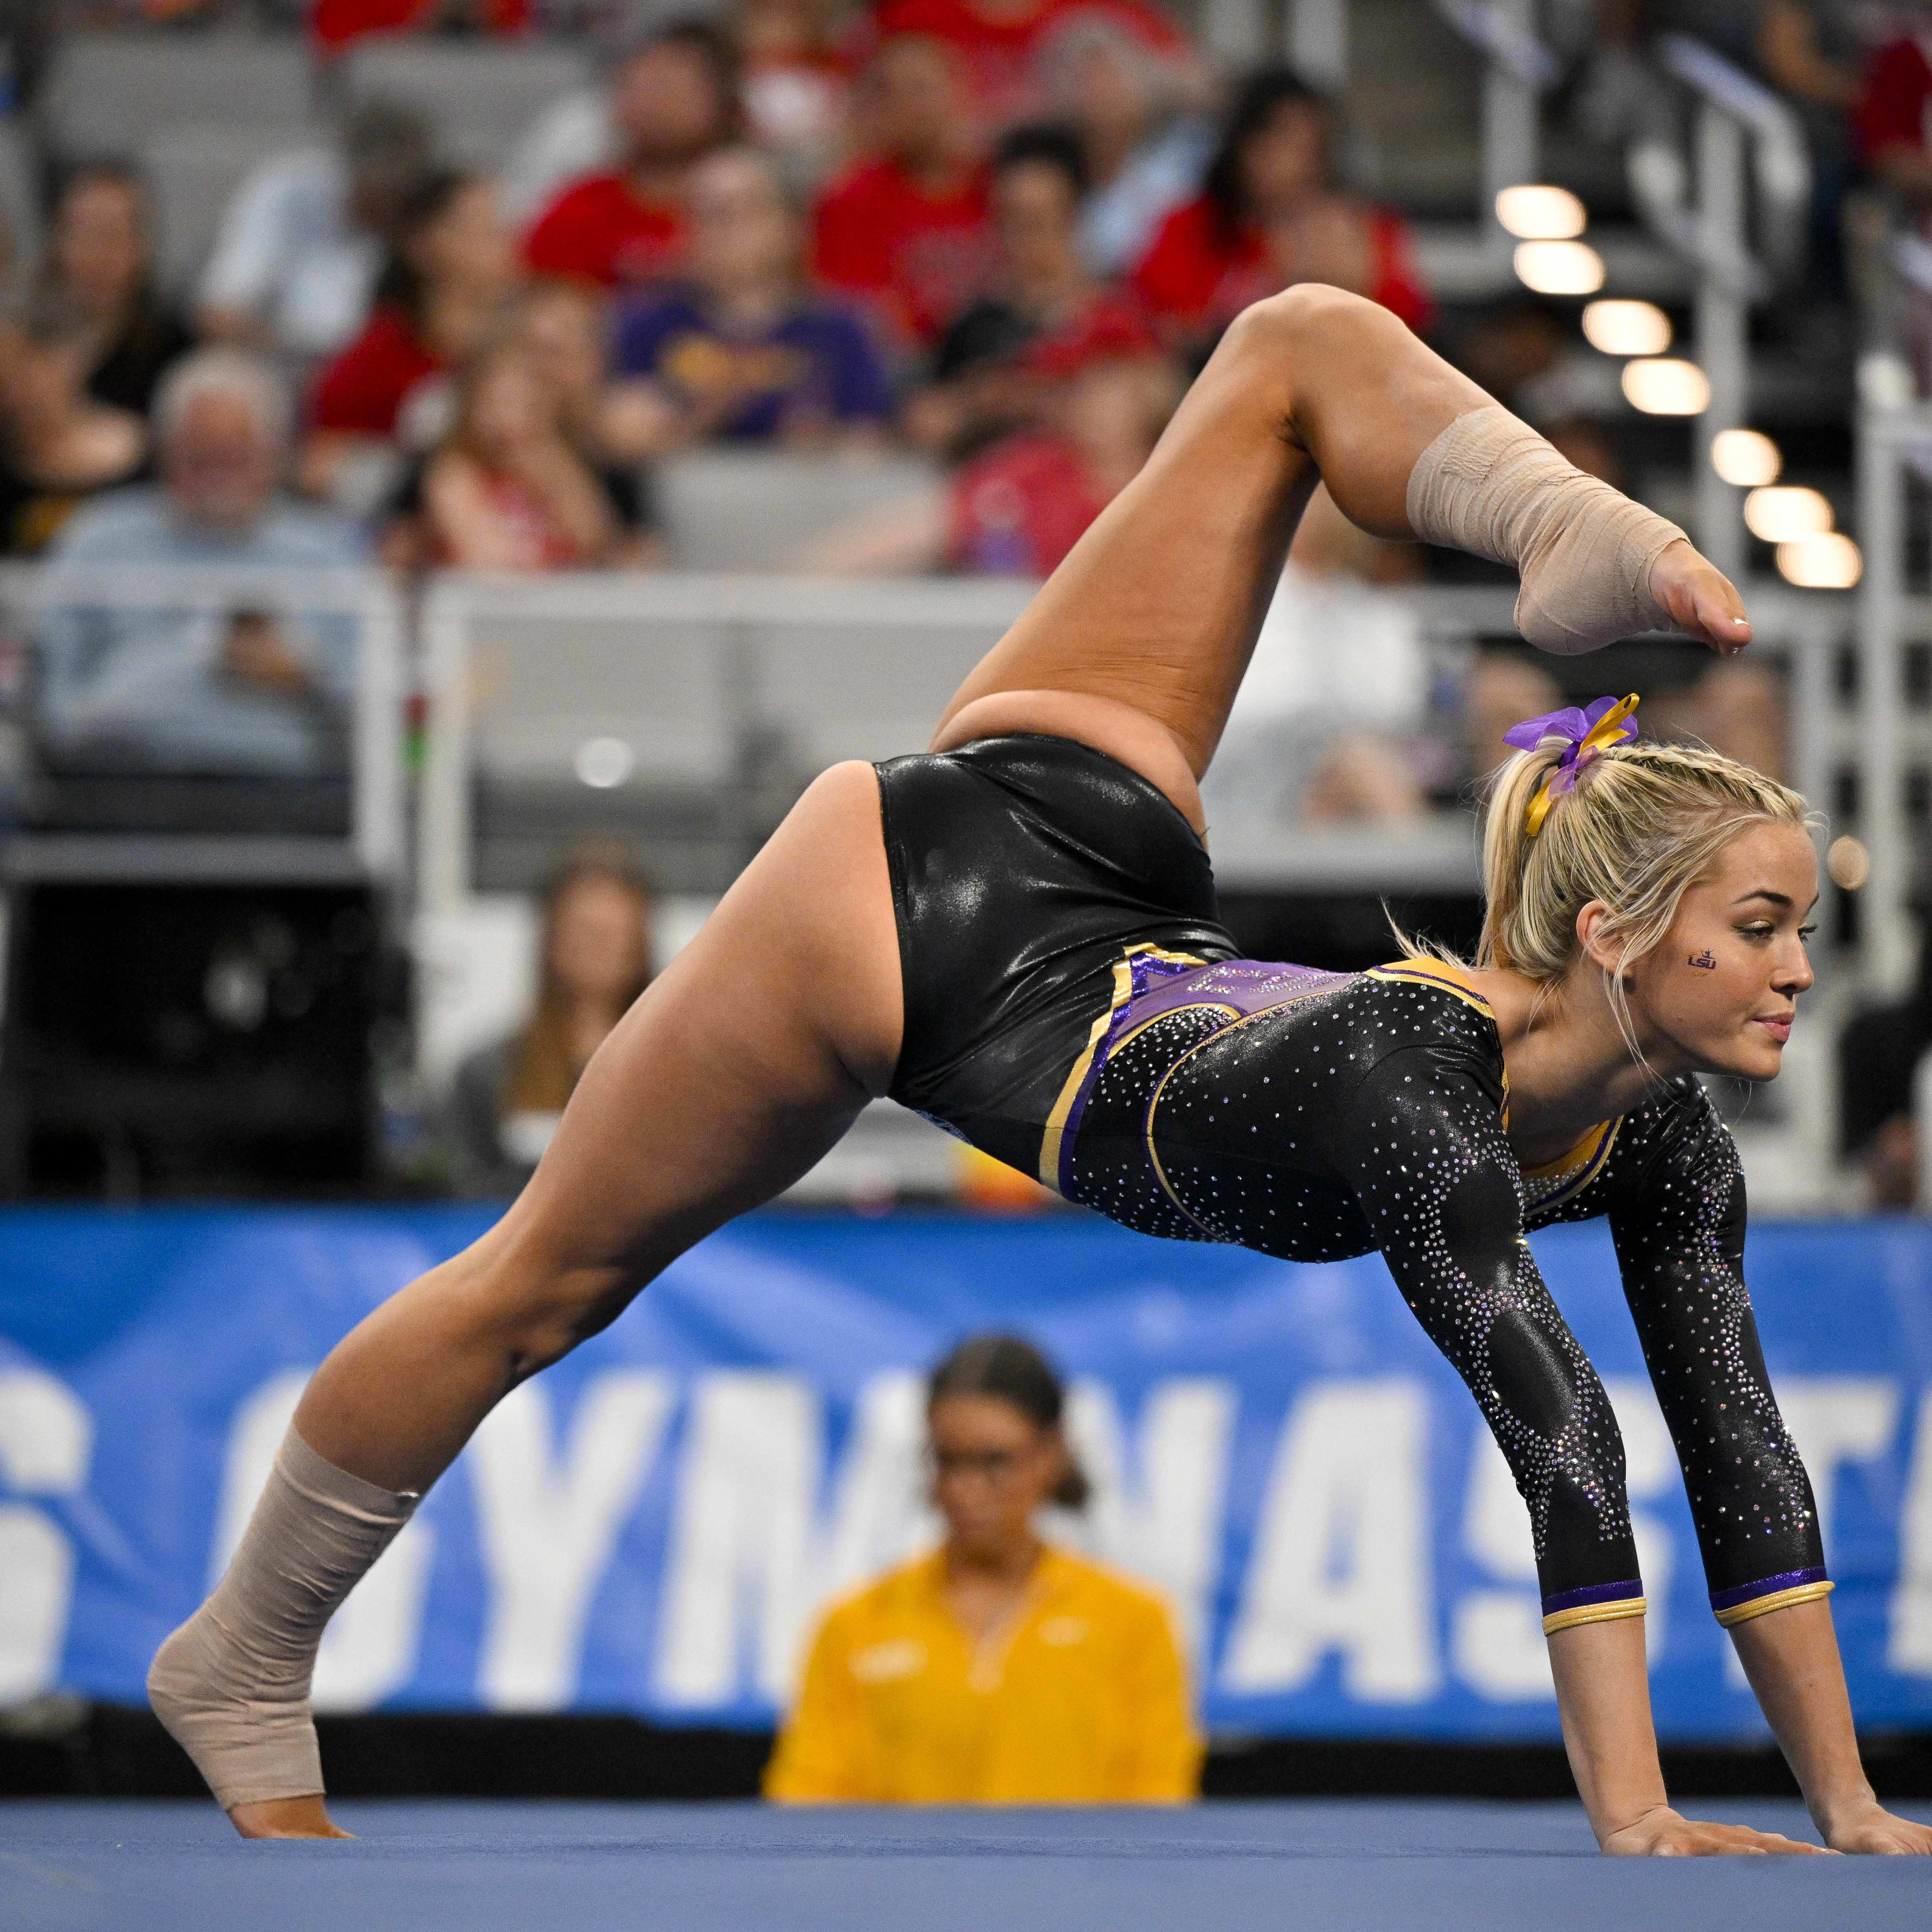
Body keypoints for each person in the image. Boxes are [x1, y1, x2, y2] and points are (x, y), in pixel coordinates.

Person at [147, 283, 1931, 1858]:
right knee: (543, 1283)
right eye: (1759, 923)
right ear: (1613, 932)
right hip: (913, 928)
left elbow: (1736, 1441)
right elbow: (1565, 1443)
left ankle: (1546, 518)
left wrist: (1846, 1806)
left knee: (1290, 343)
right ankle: (241, 1652)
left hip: (1107, 873)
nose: (1800, 966)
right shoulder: (1419, 1068)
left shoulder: (1661, 1140)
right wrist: (1632, 1815)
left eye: (1802, 926)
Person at [766, 1334, 1200, 1803]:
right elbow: (808, 1804)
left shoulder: (1135, 1623)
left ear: (1052, 1455)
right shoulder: (855, 1625)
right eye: (947, 1461)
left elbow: (1156, 1805)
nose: (966, 1489)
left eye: (996, 1462)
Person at [36, 348, 363, 775]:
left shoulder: (325, 553)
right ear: (164, 451)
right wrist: (181, 663)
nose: (218, 474)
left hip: (287, 788)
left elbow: (371, 707)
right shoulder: (100, 541)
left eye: (237, 456)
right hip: (123, 784)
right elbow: (54, 702)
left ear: (276, 453)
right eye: (201, 456)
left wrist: (306, 678)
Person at [610, 145, 892, 449]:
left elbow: (871, 439)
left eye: (744, 211)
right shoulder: (645, 326)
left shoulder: (841, 330)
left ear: (791, 226)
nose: (724, 230)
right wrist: (696, 419)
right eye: (707, 214)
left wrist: (826, 443)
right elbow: (619, 432)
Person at [1133, 69, 1430, 349]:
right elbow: (1153, 325)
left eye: (1310, 148)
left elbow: (1413, 334)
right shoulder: (1190, 226)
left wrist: (1350, 286)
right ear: (1243, 146)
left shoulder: (1363, 231)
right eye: (1281, 143)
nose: (1296, 164)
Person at [447, 847, 655, 1196]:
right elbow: (461, 1193)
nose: (597, 949)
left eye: (612, 934)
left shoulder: (673, 1072)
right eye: (584, 931)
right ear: (551, 939)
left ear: (639, 944)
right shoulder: (487, 1073)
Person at [303, 171, 519, 503]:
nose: (507, 242)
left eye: (504, 228)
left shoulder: (528, 346)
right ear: (425, 244)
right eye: (486, 229)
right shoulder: (377, 357)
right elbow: (318, 465)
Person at [197, 100, 432, 362]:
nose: (383, 201)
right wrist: (294, 350)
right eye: (374, 187)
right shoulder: (288, 191)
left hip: (381, 367)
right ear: (349, 169)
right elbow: (219, 314)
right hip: (277, 361)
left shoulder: (425, 223)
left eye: (394, 191)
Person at [522, 22, 742, 292]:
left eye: (675, 88)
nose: (657, 105)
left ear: (722, 101)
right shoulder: (579, 209)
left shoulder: (751, 210)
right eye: (644, 86)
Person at [811, 35, 993, 349]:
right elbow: (855, 315)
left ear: (962, 92)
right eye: (898, 95)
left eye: (924, 89)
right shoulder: (851, 201)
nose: (917, 109)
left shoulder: (1000, 183)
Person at [418, 333, 625, 569]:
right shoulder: (455, 473)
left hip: (563, 588)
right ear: (472, 408)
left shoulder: (559, 462)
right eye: (498, 403)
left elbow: (596, 542)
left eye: (526, 404)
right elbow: (486, 556)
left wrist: (554, 478)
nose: (512, 419)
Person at [1037, 13, 1213, 280]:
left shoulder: (1182, 166)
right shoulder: (1050, 182)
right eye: (1083, 80)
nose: (1097, 95)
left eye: (1110, 77)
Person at [0, 291, 147, 557]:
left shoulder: (148, 450)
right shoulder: (7, 465)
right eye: (7, 375)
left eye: (28, 365)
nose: (15, 386)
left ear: (71, 360)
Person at [41, 163, 193, 419]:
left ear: (142, 247)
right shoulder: (22, 345)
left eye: (111, 236)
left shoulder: (174, 353)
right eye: (83, 234)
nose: (96, 255)